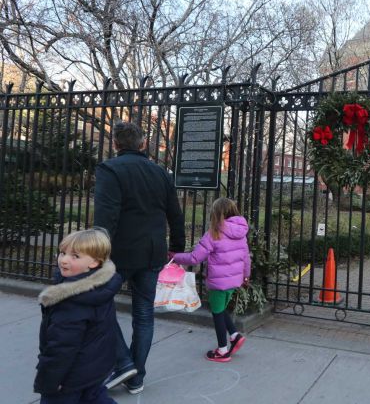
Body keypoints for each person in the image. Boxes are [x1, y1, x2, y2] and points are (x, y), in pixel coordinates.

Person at [94, 121, 185, 394]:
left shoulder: (109, 169)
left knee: (97, 307)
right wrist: (177, 247)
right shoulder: (160, 172)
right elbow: (175, 213)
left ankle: (123, 364)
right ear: (143, 144)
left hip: (119, 253)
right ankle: (136, 376)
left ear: (116, 144)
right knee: (144, 315)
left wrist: (98, 251)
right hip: (153, 252)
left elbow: (105, 216)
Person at [35, 229, 122, 404]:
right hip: (96, 366)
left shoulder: (71, 300)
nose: (64, 259)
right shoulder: (100, 285)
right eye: (62, 253)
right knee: (94, 396)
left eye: (75, 256)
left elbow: (62, 346)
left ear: (94, 262)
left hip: (70, 377)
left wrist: (50, 380)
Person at [172, 197, 250, 362]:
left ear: (215, 213)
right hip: (233, 282)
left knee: (217, 313)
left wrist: (174, 257)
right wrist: (246, 275)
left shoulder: (214, 233)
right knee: (220, 309)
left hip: (218, 282)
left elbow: (195, 258)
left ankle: (222, 351)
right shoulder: (241, 232)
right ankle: (235, 336)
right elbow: (246, 257)